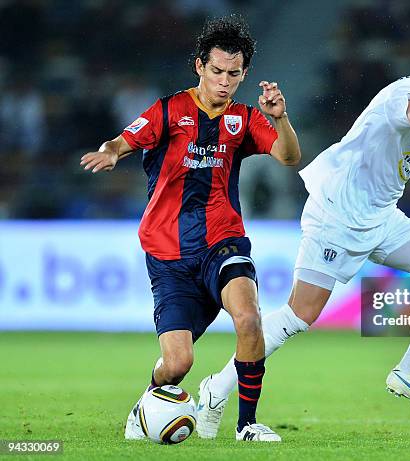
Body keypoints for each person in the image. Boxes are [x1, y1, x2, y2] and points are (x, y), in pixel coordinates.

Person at [196, 45, 410, 436]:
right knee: (298, 316)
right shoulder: (408, 92)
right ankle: (217, 388)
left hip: (381, 220)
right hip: (336, 216)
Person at [80, 15, 300, 442]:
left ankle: (247, 424)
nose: (223, 82)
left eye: (233, 74)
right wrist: (109, 152)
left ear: (244, 74)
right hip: (169, 254)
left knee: (250, 320)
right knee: (177, 365)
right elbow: (124, 140)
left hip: (222, 240)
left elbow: (289, 157)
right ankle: (149, 401)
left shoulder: (244, 117)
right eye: (216, 71)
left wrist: (281, 118)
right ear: (199, 66)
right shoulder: (168, 110)